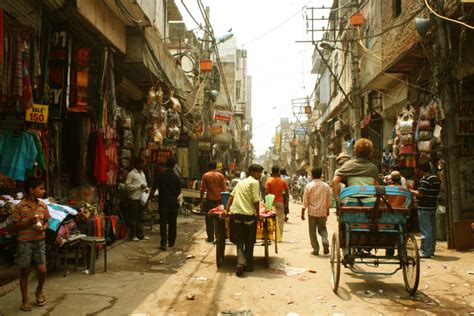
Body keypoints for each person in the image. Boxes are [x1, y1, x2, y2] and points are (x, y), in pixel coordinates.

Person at [11, 177, 50, 311]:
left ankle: (39, 291)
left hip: (39, 241)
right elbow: (14, 227)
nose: (44, 191)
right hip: (24, 243)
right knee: (25, 271)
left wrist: (43, 227)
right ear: (31, 190)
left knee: (43, 271)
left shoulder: (43, 205)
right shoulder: (19, 207)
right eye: (41, 188)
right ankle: (25, 299)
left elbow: (47, 221)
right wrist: (29, 222)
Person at [224, 164, 263, 276]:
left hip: (236, 215)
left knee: (240, 241)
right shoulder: (254, 182)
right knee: (249, 241)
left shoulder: (240, 182)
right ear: (253, 172)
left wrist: (227, 211)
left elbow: (231, 196)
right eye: (259, 172)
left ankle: (241, 263)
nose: (260, 175)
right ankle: (249, 264)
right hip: (248, 216)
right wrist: (258, 214)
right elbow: (256, 200)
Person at [332, 138, 379, 205]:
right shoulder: (373, 168)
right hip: (370, 204)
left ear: (355, 151)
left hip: (352, 203)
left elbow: (334, 181)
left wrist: (337, 199)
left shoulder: (348, 165)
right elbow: (376, 188)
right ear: (370, 152)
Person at [410, 161, 441, 258]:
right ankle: (430, 250)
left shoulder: (425, 179)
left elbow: (420, 193)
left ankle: (426, 252)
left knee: (426, 230)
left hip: (424, 208)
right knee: (432, 229)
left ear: (420, 170)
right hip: (432, 206)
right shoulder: (436, 178)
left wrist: (410, 191)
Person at [152, 158, 181, 251]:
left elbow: (154, 187)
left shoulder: (160, 175)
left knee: (163, 222)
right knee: (173, 222)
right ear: (174, 166)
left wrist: (151, 197)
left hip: (163, 202)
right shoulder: (176, 177)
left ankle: (164, 242)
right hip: (173, 202)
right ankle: (171, 242)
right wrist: (173, 196)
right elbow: (179, 190)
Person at [301, 168, 331, 256]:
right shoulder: (326, 186)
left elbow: (305, 201)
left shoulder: (309, 186)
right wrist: (328, 209)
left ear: (312, 175)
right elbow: (328, 200)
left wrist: (303, 212)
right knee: (323, 229)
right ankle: (325, 239)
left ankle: (316, 249)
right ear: (321, 174)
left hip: (312, 212)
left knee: (312, 231)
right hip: (322, 212)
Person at [200, 161, 226, 242]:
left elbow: (202, 189)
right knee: (219, 219)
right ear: (216, 167)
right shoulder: (221, 176)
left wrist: (201, 201)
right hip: (219, 200)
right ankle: (219, 237)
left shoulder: (206, 175)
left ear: (208, 167)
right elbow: (224, 189)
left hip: (209, 200)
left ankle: (210, 237)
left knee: (209, 219)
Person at [125, 158, 149, 242]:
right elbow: (127, 186)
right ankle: (133, 235)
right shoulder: (131, 174)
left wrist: (146, 188)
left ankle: (140, 234)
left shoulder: (142, 174)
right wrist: (138, 187)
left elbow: (145, 184)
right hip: (134, 198)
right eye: (141, 164)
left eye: (143, 164)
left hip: (142, 198)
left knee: (140, 217)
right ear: (137, 164)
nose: (142, 166)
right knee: (133, 218)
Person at [265, 166, 289, 241]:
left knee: (269, 219)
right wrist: (286, 203)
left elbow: (266, 192)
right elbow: (287, 193)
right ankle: (279, 238)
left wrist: (266, 201)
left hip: (270, 202)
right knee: (280, 220)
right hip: (280, 202)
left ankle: (270, 236)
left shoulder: (269, 180)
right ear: (278, 172)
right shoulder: (283, 181)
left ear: (271, 172)